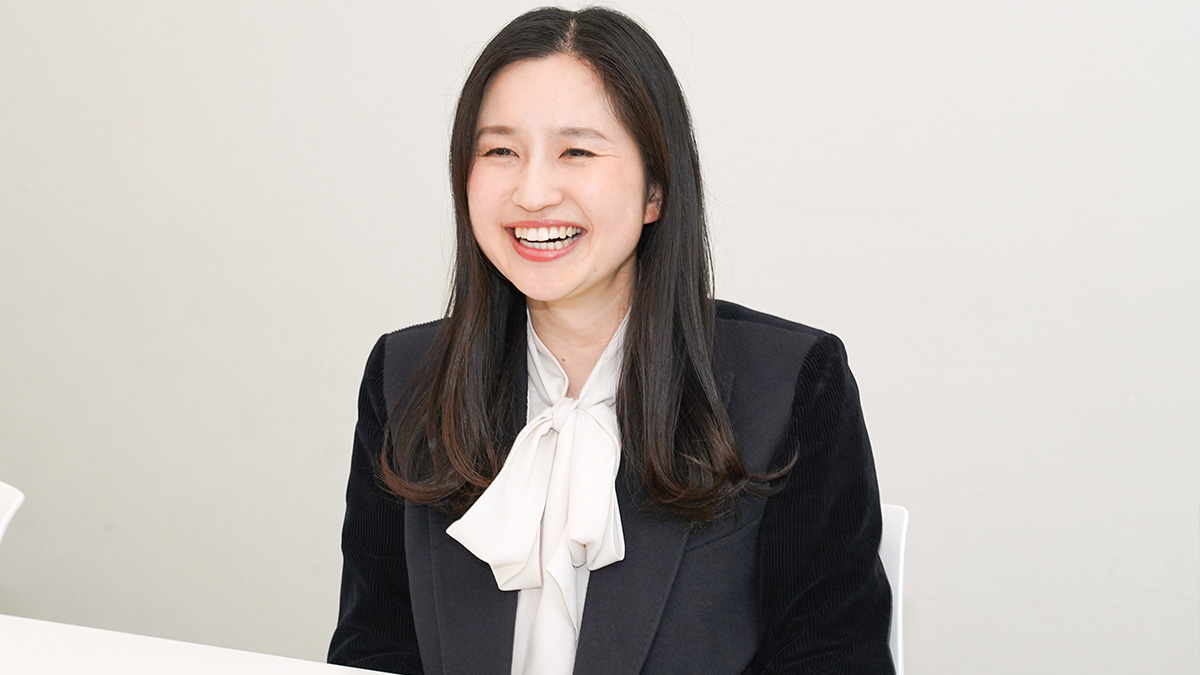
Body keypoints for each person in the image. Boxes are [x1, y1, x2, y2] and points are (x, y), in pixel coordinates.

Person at [328, 6, 893, 675]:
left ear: (656, 189)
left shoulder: (792, 384)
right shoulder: (404, 376)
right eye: (500, 151)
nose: (533, 192)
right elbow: (374, 649)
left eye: (577, 151)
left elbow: (831, 656)